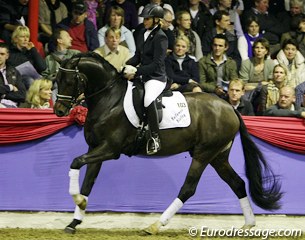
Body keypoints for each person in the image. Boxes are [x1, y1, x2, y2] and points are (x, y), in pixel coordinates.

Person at [124, 3, 167, 155]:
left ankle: (155, 138)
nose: (145, 21)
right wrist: (126, 65)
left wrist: (136, 71)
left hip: (156, 77)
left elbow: (156, 65)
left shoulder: (161, 38)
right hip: (143, 74)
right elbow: (138, 56)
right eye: (144, 19)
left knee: (148, 99)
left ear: (156, 20)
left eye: (148, 19)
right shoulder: (142, 33)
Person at [42, 28, 80, 102]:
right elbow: (44, 77)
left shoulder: (76, 54)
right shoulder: (49, 59)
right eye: (67, 36)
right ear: (60, 40)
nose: (71, 38)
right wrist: (55, 76)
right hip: (55, 88)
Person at [199, 34, 238, 98]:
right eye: (215, 45)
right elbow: (201, 83)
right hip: (209, 93)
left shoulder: (231, 63)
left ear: (226, 47)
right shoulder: (203, 62)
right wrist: (215, 89)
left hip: (227, 92)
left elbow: (234, 80)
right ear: (212, 46)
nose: (217, 48)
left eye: (220, 46)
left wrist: (227, 90)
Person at [0, 42, 26, 108]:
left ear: (7, 56)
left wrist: (4, 95)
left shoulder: (14, 71)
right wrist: (11, 87)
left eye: (2, 54)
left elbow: (22, 96)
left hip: (14, 108)